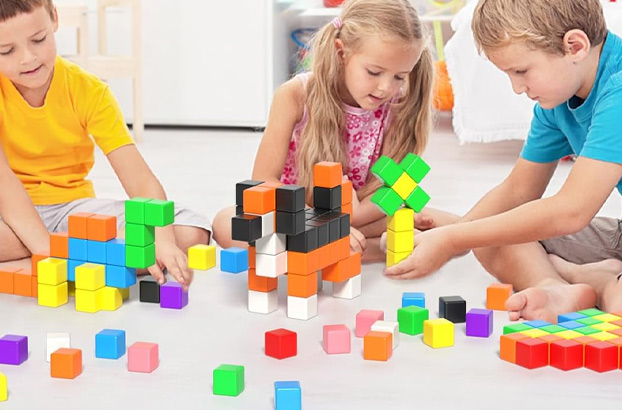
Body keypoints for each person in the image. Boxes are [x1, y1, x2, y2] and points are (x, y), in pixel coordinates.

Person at [385, 0, 622, 337]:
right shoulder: (558, 101)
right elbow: (517, 191)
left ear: (575, 46)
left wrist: (453, 237)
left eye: (521, 71)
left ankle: (596, 279)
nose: (517, 88)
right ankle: (556, 286)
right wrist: (450, 239)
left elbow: (572, 211)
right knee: (492, 239)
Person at [212, 0, 457, 261]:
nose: (386, 88)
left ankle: (342, 246)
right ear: (342, 53)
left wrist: (346, 222)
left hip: (364, 213)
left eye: (400, 76)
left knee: (447, 224)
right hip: (296, 215)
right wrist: (321, 224)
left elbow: (392, 190)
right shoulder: (294, 95)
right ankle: (368, 247)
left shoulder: (397, 105)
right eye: (374, 72)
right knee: (226, 223)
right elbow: (262, 183)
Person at [0, 0, 210, 289]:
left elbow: (139, 180)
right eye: (6, 51)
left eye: (39, 39)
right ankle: (74, 257)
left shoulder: (90, 91)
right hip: (9, 214)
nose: (28, 58)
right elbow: (5, 186)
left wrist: (163, 238)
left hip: (70, 211)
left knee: (191, 230)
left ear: (54, 20)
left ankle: (41, 260)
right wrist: (45, 249)